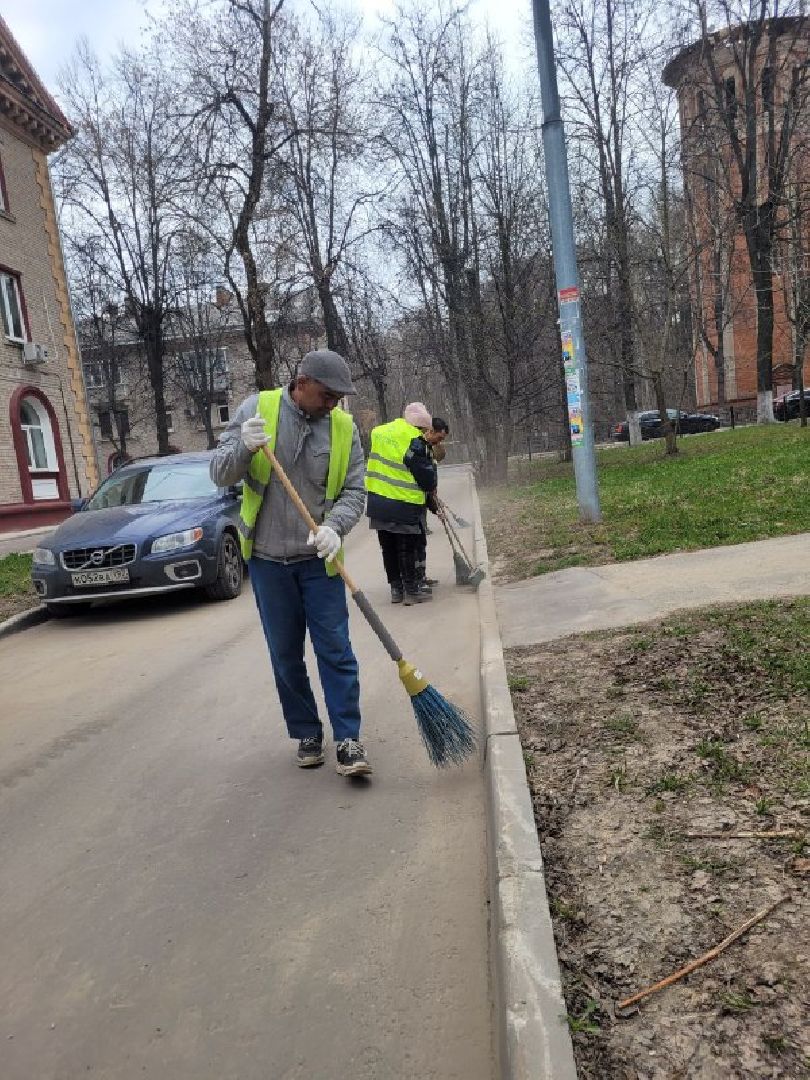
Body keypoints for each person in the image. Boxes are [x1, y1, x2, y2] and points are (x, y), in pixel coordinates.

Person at [209, 349, 372, 777]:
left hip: (320, 563)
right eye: (327, 394)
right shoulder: (256, 409)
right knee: (285, 656)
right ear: (300, 384)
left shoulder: (342, 427)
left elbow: (356, 490)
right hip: (267, 562)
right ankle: (306, 731)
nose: (334, 402)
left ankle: (349, 738)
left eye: (339, 396)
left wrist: (335, 526)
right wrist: (242, 448)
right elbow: (220, 473)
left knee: (336, 651)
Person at [365, 402, 437, 605]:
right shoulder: (414, 440)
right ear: (421, 427)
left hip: (377, 501)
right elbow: (426, 479)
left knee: (387, 548)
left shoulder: (379, 432)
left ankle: (396, 590)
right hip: (403, 502)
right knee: (405, 547)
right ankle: (411, 591)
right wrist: (431, 487)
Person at [416, 417, 450, 584]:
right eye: (440, 438)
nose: (440, 442)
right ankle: (417, 578)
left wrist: (436, 507)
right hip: (414, 502)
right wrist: (436, 508)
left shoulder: (430, 453)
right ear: (430, 431)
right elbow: (426, 486)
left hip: (422, 501)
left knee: (420, 541)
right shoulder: (421, 450)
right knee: (417, 542)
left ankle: (420, 577)